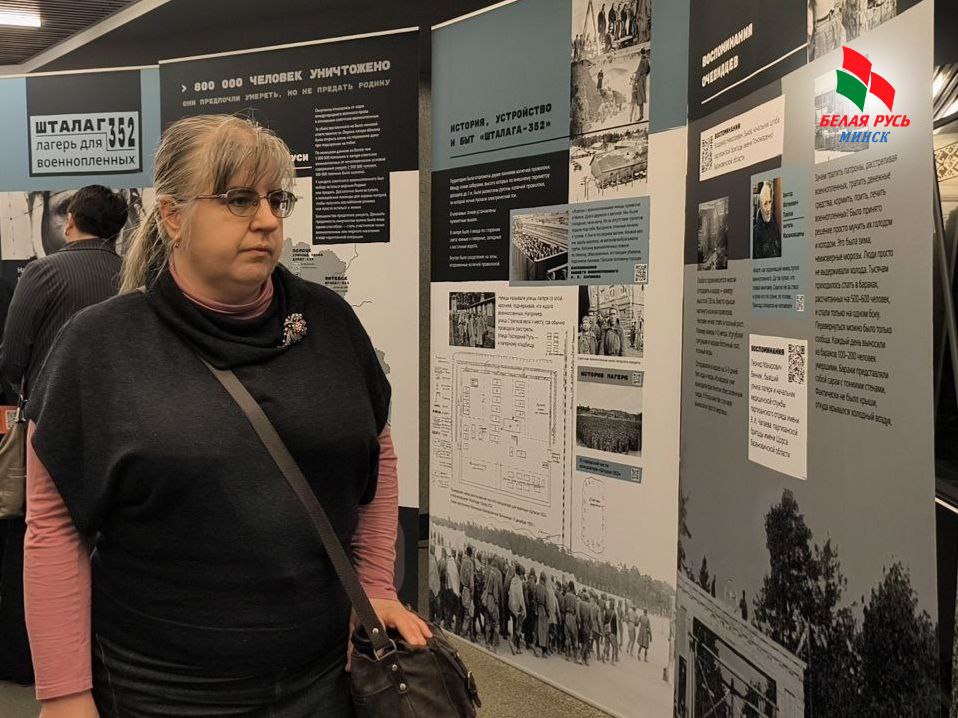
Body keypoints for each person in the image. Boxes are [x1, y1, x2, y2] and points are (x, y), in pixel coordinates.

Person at [22, 115, 429, 717]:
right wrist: (65, 693)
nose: (267, 220)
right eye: (239, 200)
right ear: (173, 216)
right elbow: (55, 527)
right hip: (159, 689)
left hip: (324, 677)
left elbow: (375, 458)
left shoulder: (331, 323)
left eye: (276, 200)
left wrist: (373, 588)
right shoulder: (99, 345)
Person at [0, 185, 129, 689]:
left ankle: (34, 666)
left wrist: (26, 391)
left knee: (46, 538)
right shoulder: (134, 274)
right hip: (124, 427)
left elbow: (12, 356)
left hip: (53, 428)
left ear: (71, 220)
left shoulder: (43, 272)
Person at [753, 181, 781, 259]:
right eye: (765, 203)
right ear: (760, 206)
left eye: (770, 202)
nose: (768, 208)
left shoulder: (775, 225)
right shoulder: (755, 233)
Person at [508, 565, 527, 655]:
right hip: (518, 608)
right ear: (521, 574)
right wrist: (523, 608)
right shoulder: (519, 583)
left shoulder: (513, 580)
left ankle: (516, 646)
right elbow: (521, 597)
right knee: (518, 627)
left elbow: (510, 593)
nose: (524, 576)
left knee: (515, 626)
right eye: (523, 574)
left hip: (512, 607)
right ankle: (513, 643)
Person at [630, 48, 650, 122]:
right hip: (644, 79)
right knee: (641, 96)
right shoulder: (646, 59)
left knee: (639, 97)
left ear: (641, 53)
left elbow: (639, 71)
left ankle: (641, 115)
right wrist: (644, 75)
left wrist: (635, 80)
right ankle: (641, 115)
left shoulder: (642, 60)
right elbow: (648, 69)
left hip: (640, 80)